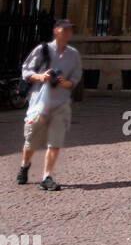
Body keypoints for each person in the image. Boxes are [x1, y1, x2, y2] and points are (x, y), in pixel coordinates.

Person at [16, 18, 82, 191]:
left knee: (55, 142)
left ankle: (46, 177)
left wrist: (63, 82)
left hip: (60, 105)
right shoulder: (42, 49)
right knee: (30, 141)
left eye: (70, 29)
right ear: (56, 31)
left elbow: (74, 80)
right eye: (65, 29)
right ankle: (25, 164)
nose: (68, 32)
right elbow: (26, 71)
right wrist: (41, 77)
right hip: (39, 104)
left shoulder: (73, 54)